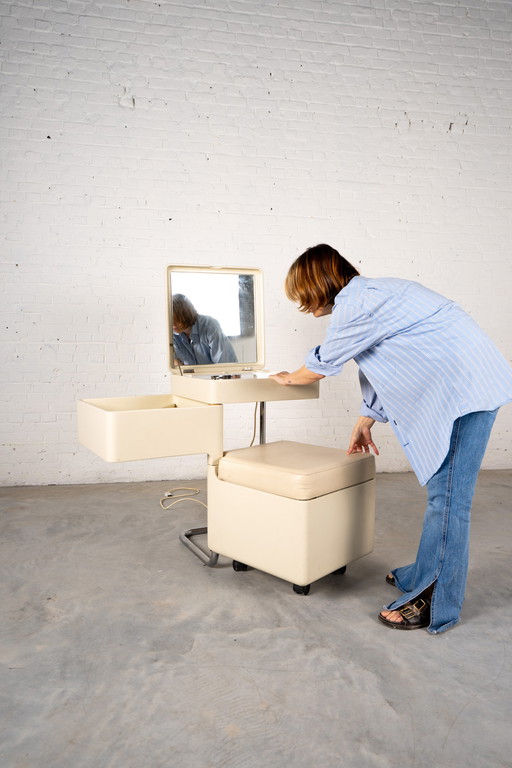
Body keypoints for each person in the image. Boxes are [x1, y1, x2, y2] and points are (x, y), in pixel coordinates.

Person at [270, 243, 512, 634]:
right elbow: (397, 358)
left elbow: (324, 362)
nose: (303, 305)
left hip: (466, 393)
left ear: (319, 282)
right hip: (469, 386)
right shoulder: (377, 294)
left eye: (303, 294)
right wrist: (369, 418)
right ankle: (422, 570)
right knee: (443, 493)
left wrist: (288, 377)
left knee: (448, 498)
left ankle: (434, 600)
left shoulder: (357, 303)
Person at [172, 294, 237, 366]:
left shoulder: (210, 326)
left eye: (176, 320)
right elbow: (177, 364)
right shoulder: (172, 334)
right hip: (196, 376)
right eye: (171, 320)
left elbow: (222, 365)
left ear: (185, 314)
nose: (173, 325)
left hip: (225, 372)